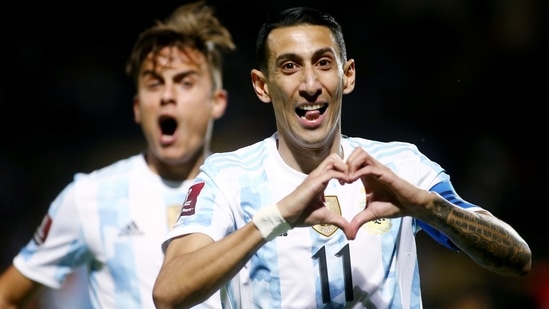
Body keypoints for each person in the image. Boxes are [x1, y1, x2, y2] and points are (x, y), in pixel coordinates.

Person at [152, 6, 532, 309]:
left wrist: (427, 207)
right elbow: (169, 293)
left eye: (323, 62)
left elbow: (518, 258)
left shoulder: (401, 166)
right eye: (289, 66)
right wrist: (276, 218)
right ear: (262, 86)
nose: (311, 85)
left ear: (347, 76)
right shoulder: (227, 176)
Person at [0, 1, 235, 308]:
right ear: (138, 108)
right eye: (154, 83)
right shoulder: (91, 197)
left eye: (184, 82)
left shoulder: (244, 189)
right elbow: (7, 295)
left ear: (216, 102)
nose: (167, 96)